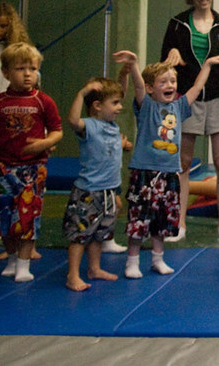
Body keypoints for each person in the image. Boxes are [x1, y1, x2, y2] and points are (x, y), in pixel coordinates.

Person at [117, 49, 219, 278]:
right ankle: (132, 261)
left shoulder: (178, 107)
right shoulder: (146, 106)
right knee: (140, 218)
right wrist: (135, 65)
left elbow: (196, 89)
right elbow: (137, 87)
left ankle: (158, 259)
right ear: (150, 88)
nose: (170, 85)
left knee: (162, 220)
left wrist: (206, 66)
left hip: (169, 174)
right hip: (145, 172)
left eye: (173, 81)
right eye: (163, 82)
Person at [0, 43, 62, 282]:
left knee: (29, 216)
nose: (27, 73)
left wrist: (44, 143)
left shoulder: (43, 101)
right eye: (20, 68)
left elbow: (57, 131)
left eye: (32, 68)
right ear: (6, 72)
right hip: (3, 167)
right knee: (4, 215)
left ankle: (24, 265)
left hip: (33, 167)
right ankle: (12, 258)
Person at [161, 0, 219, 242]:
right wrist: (173, 59)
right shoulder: (177, 24)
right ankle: (180, 223)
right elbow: (165, 63)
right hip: (189, 99)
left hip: (217, 97)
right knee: (183, 162)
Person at [63, 75, 133, 291]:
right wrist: (81, 93)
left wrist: (122, 145)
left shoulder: (112, 126)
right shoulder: (90, 125)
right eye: (115, 103)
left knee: (99, 234)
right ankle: (72, 275)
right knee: (80, 235)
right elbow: (73, 120)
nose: (120, 107)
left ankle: (94, 268)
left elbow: (108, 151)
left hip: (108, 191)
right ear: (97, 106)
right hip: (89, 191)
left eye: (120, 102)